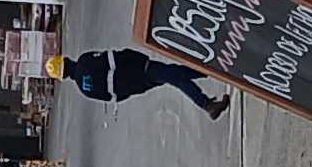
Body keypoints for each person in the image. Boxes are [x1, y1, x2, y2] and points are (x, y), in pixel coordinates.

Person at [54, 48, 230, 117]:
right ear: (66, 60)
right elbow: (114, 58)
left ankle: (211, 71)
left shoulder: (84, 90)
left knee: (173, 73)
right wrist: (137, 57)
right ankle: (206, 104)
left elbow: (113, 97)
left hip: (136, 85)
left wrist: (130, 89)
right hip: (137, 69)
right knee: (174, 76)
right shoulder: (85, 61)